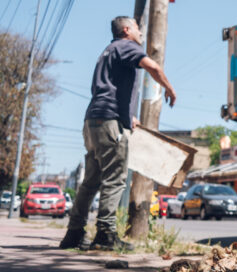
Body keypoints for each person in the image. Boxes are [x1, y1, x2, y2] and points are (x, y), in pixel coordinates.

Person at [59, 16, 177, 251]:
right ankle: (105, 234)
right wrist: (170, 89)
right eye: (137, 27)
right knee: (114, 179)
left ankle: (73, 234)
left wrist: (127, 116)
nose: (141, 32)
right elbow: (153, 66)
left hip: (93, 120)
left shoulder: (110, 50)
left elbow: (109, 88)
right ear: (126, 30)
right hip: (108, 123)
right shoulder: (126, 46)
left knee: (90, 182)